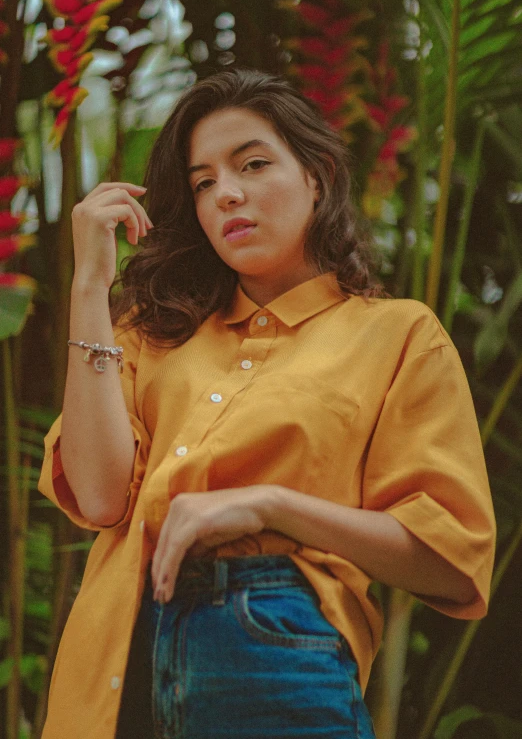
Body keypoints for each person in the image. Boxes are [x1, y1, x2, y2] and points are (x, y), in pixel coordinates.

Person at [38, 68, 496, 739]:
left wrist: (270, 505)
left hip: (272, 644)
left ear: (319, 175)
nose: (226, 193)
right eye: (202, 182)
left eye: (251, 164)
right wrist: (90, 285)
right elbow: (102, 497)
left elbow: (451, 560)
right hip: (114, 663)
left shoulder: (399, 334)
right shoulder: (148, 332)